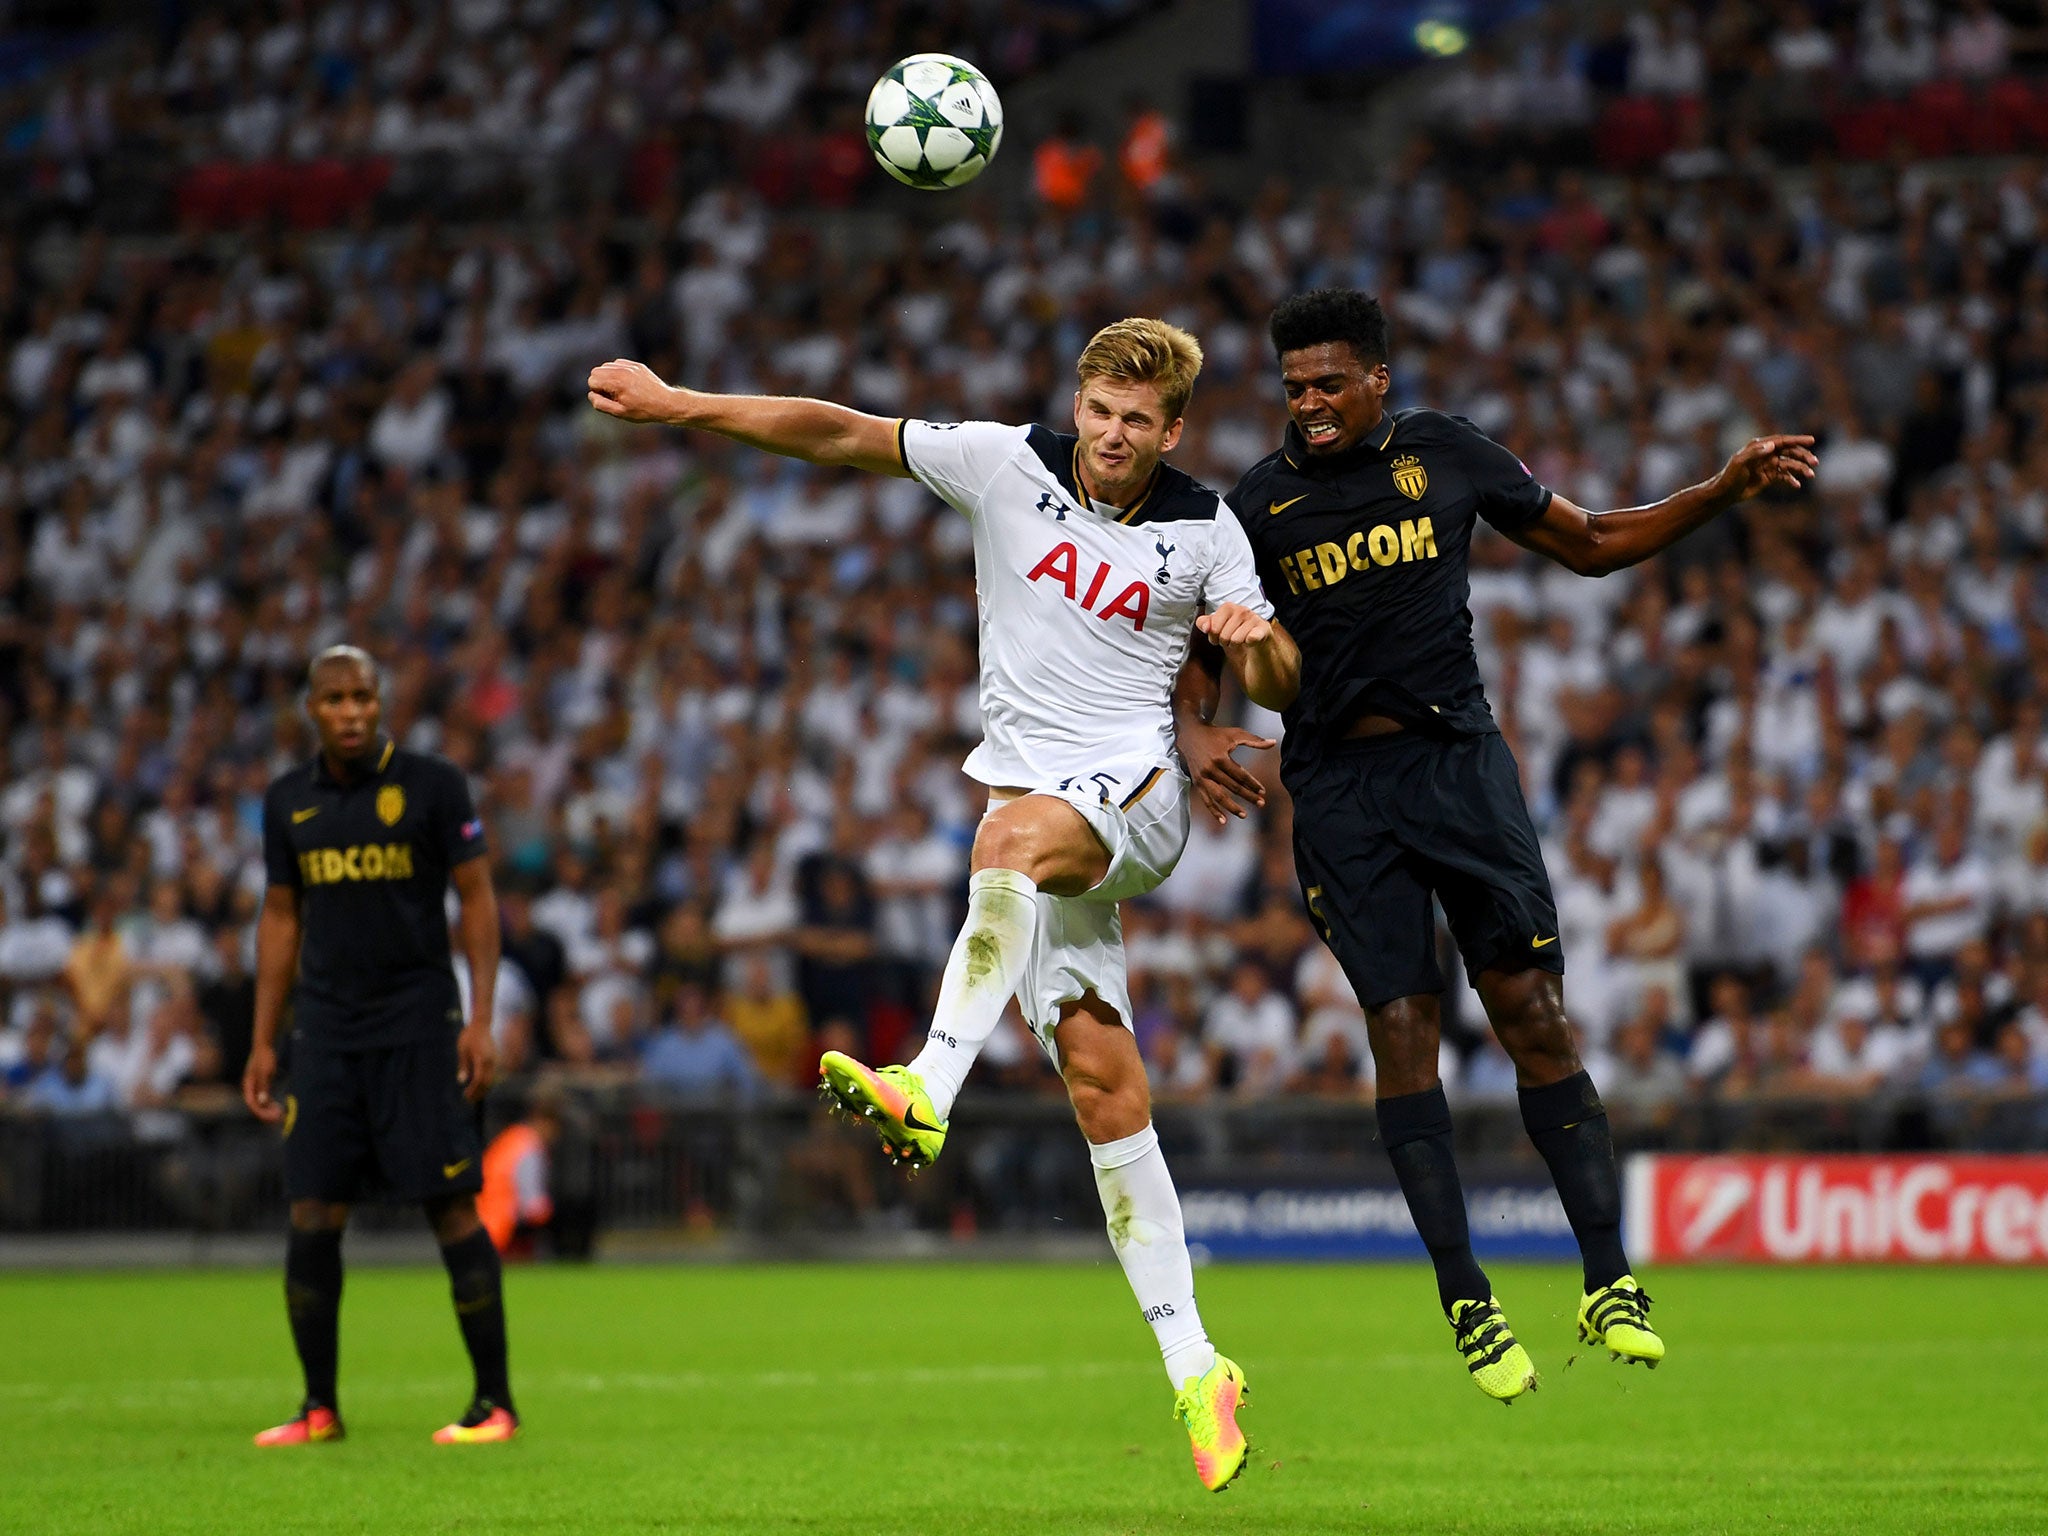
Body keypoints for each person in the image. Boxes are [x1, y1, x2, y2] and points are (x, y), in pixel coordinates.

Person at [588, 318, 1298, 1492]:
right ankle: (1197, 1369)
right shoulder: (1000, 465)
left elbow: (1275, 679)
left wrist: (1250, 642)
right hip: (1042, 823)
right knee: (1101, 1084)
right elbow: (833, 432)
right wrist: (679, 407)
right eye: (1100, 411)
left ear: (1172, 429)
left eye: (1140, 422)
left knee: (1002, 835)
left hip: (1134, 801)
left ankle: (926, 1083)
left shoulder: (1204, 529)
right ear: (1078, 402)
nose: (1114, 437)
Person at [1176, 288, 1815, 1402]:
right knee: (1399, 1026)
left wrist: (1721, 487)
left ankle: (1606, 1278)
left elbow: (1594, 543)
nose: (1310, 403)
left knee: (1530, 1011)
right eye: (1293, 386)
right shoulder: (1256, 505)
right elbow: (1204, 647)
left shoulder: (1447, 453)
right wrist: (1191, 732)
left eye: (1329, 382)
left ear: (1379, 378)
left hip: (1458, 768)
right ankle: (1465, 1298)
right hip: (1338, 791)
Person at [241, 646, 518, 1447]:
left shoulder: (432, 786)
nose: (352, 710)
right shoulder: (288, 801)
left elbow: (476, 900)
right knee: (312, 1212)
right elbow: (281, 917)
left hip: (416, 1026)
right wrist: (264, 1040)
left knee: (451, 1207)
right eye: (335, 698)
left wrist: (481, 1017)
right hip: (324, 1033)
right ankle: (318, 1407)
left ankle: (494, 1403)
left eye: (364, 695)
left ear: (381, 701)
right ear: (311, 709)